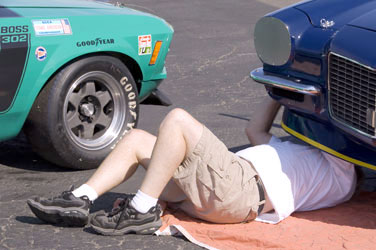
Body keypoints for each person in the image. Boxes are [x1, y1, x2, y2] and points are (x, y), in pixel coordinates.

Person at [27, 96, 356, 235]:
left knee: (178, 120)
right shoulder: (292, 148)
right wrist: (277, 89)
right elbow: (254, 130)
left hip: (238, 190)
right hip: (217, 188)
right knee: (138, 139)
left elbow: (349, 130)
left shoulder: (342, 173)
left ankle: (141, 208)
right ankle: (80, 198)